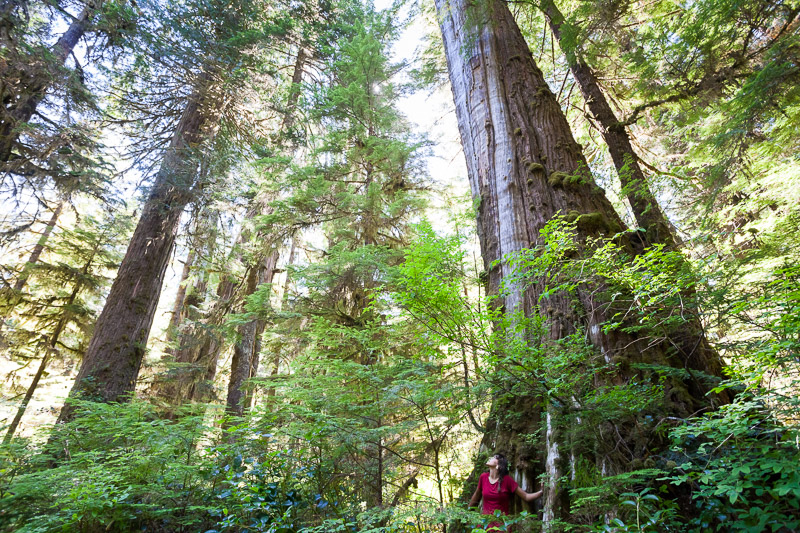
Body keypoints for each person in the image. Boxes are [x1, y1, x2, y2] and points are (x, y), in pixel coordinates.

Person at [468, 454, 543, 532]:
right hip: (484, 524)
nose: (490, 458)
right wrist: (466, 514)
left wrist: (541, 492)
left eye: (494, 458)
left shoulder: (507, 480)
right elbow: (476, 495)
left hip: (502, 526)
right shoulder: (483, 477)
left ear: (499, 465)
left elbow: (526, 497)